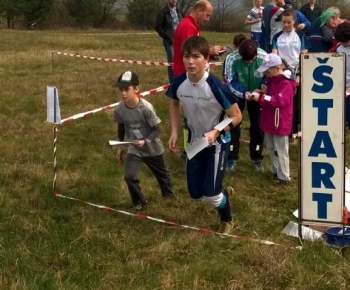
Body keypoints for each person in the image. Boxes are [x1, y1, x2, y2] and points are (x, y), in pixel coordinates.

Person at [166, 36, 242, 234]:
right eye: (186, 56)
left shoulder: (217, 87)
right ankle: (222, 191)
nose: (190, 62)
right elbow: (174, 103)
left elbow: (237, 116)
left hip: (217, 144)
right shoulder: (178, 83)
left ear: (206, 59)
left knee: (211, 195)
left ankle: (227, 219)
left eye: (196, 56)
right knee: (195, 194)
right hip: (194, 143)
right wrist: (174, 131)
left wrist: (216, 131)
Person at [113, 71, 175, 213]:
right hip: (135, 149)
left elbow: (156, 130)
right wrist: (121, 146)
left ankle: (169, 198)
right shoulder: (120, 109)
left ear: (136, 89)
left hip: (153, 149)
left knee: (163, 177)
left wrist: (145, 141)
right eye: (121, 90)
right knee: (129, 176)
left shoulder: (146, 108)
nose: (123, 93)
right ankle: (139, 201)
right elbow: (121, 126)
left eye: (127, 89)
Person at [250, 54, 296, 185]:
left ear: (277, 68)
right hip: (269, 120)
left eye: (268, 70)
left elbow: (279, 100)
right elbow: (270, 98)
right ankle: (275, 170)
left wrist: (261, 98)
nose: (266, 73)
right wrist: (262, 93)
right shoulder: (271, 81)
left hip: (280, 122)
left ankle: (284, 177)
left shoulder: (286, 83)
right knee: (271, 148)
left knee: (281, 150)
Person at [223, 39, 267, 171]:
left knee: (257, 126)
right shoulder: (231, 59)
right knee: (234, 124)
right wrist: (243, 93)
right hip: (238, 94)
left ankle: (257, 158)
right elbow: (230, 81)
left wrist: (264, 84)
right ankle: (231, 157)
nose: (249, 62)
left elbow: (268, 75)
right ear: (240, 55)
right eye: (246, 60)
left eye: (252, 60)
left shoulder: (264, 56)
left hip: (257, 94)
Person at [272, 8, 309, 137]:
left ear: (294, 21)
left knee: (296, 104)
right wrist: (277, 73)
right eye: (284, 22)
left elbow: (304, 56)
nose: (286, 25)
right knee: (282, 102)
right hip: (282, 74)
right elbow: (274, 56)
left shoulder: (301, 36)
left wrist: (299, 74)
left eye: (289, 22)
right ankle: (283, 130)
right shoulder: (277, 37)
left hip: (296, 72)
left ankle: (295, 131)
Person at [172, 0, 221, 77]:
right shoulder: (187, 27)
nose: (208, 20)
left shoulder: (192, 26)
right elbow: (191, 52)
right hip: (185, 76)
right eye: (207, 15)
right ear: (199, 11)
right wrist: (209, 51)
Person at [155, 0, 183, 83]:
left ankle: (181, 79)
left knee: (182, 60)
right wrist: (167, 36)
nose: (174, 0)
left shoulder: (179, 11)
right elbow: (158, 27)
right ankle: (172, 82)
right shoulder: (163, 12)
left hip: (181, 40)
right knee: (172, 63)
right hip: (170, 41)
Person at [334, 23, 350, 129]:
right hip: (343, 84)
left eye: (345, 41)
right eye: (341, 41)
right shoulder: (338, 49)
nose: (343, 44)